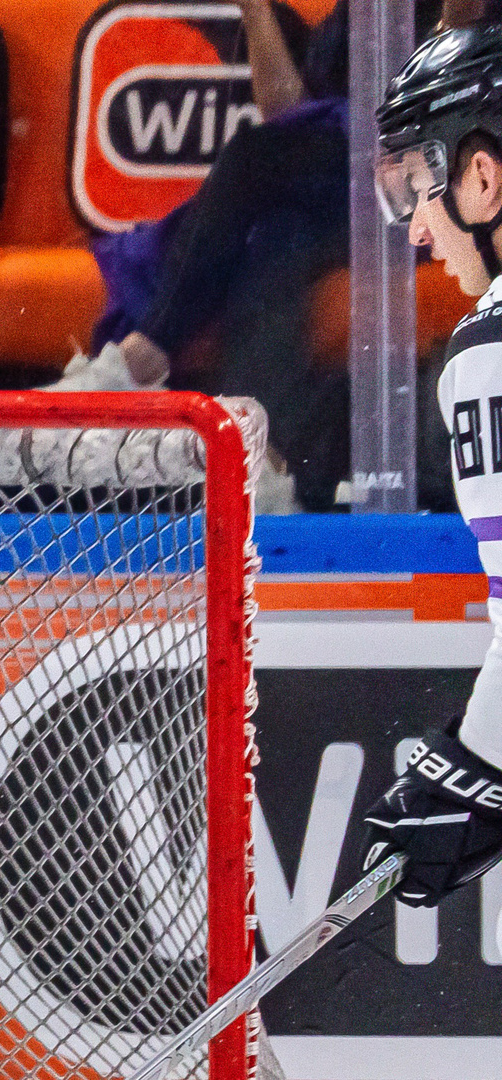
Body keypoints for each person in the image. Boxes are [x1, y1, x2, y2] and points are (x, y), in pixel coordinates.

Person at [50, 0, 477, 500]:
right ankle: (277, 470)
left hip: (425, 181)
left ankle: (146, 357)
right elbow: (287, 113)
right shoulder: (351, 17)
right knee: (277, 236)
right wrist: (256, 9)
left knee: (253, 159)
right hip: (341, 189)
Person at [361, 26, 502, 915]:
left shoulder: (491, 355)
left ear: (484, 178)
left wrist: (474, 775)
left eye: (422, 183)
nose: (416, 223)